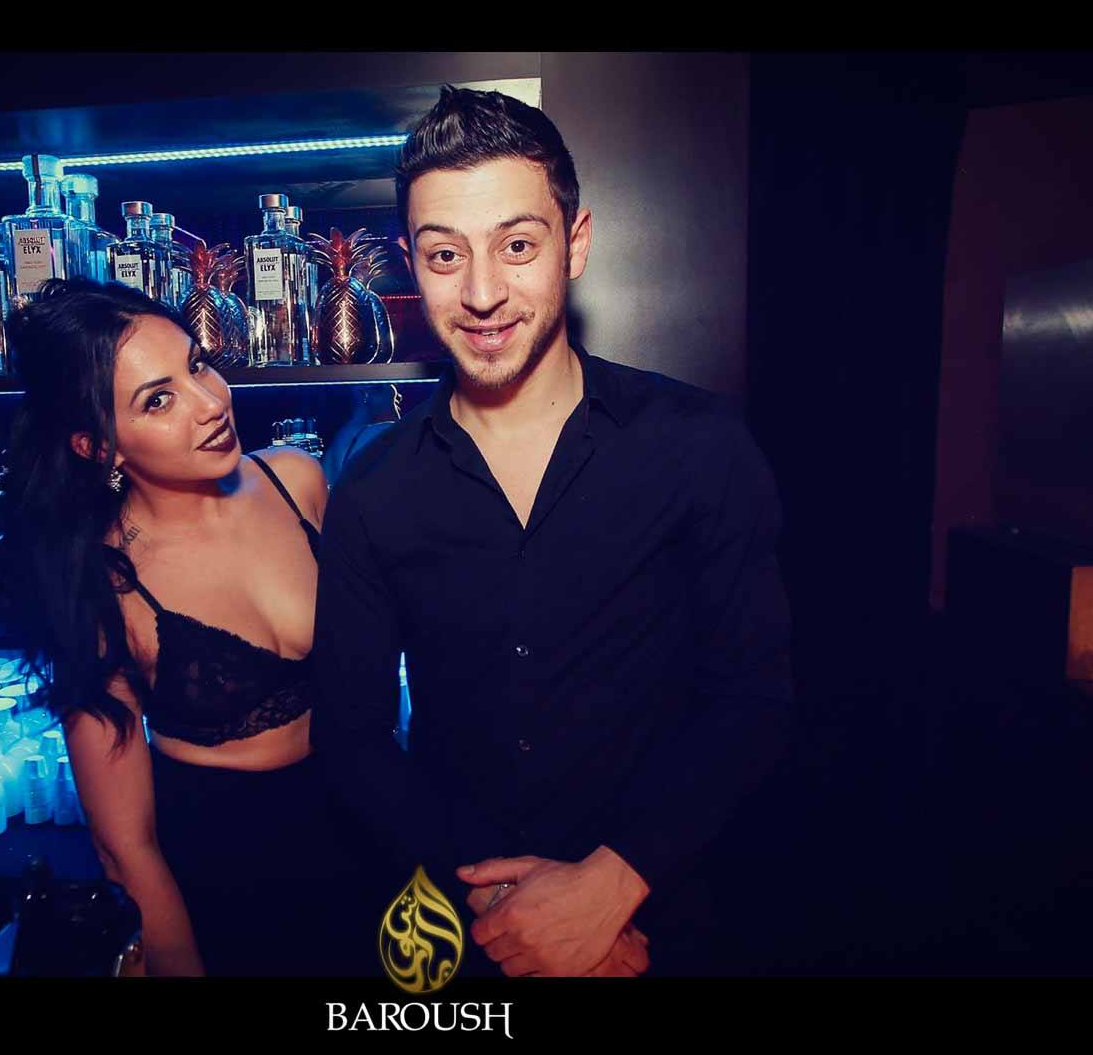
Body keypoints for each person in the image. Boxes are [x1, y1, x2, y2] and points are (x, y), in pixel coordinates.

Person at [312, 86, 796, 978]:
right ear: (410, 265)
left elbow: (753, 701)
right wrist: (508, 906)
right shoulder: (374, 487)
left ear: (575, 244)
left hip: (668, 918)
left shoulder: (699, 445)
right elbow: (352, 741)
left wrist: (611, 887)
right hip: (461, 926)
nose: (482, 293)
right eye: (445, 255)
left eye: (517, 246)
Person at [0, 278, 381, 977]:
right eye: (158, 400)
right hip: (229, 877)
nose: (210, 403)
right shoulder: (103, 583)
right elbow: (125, 845)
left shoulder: (297, 481)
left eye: (197, 365)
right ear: (98, 446)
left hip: (364, 835)